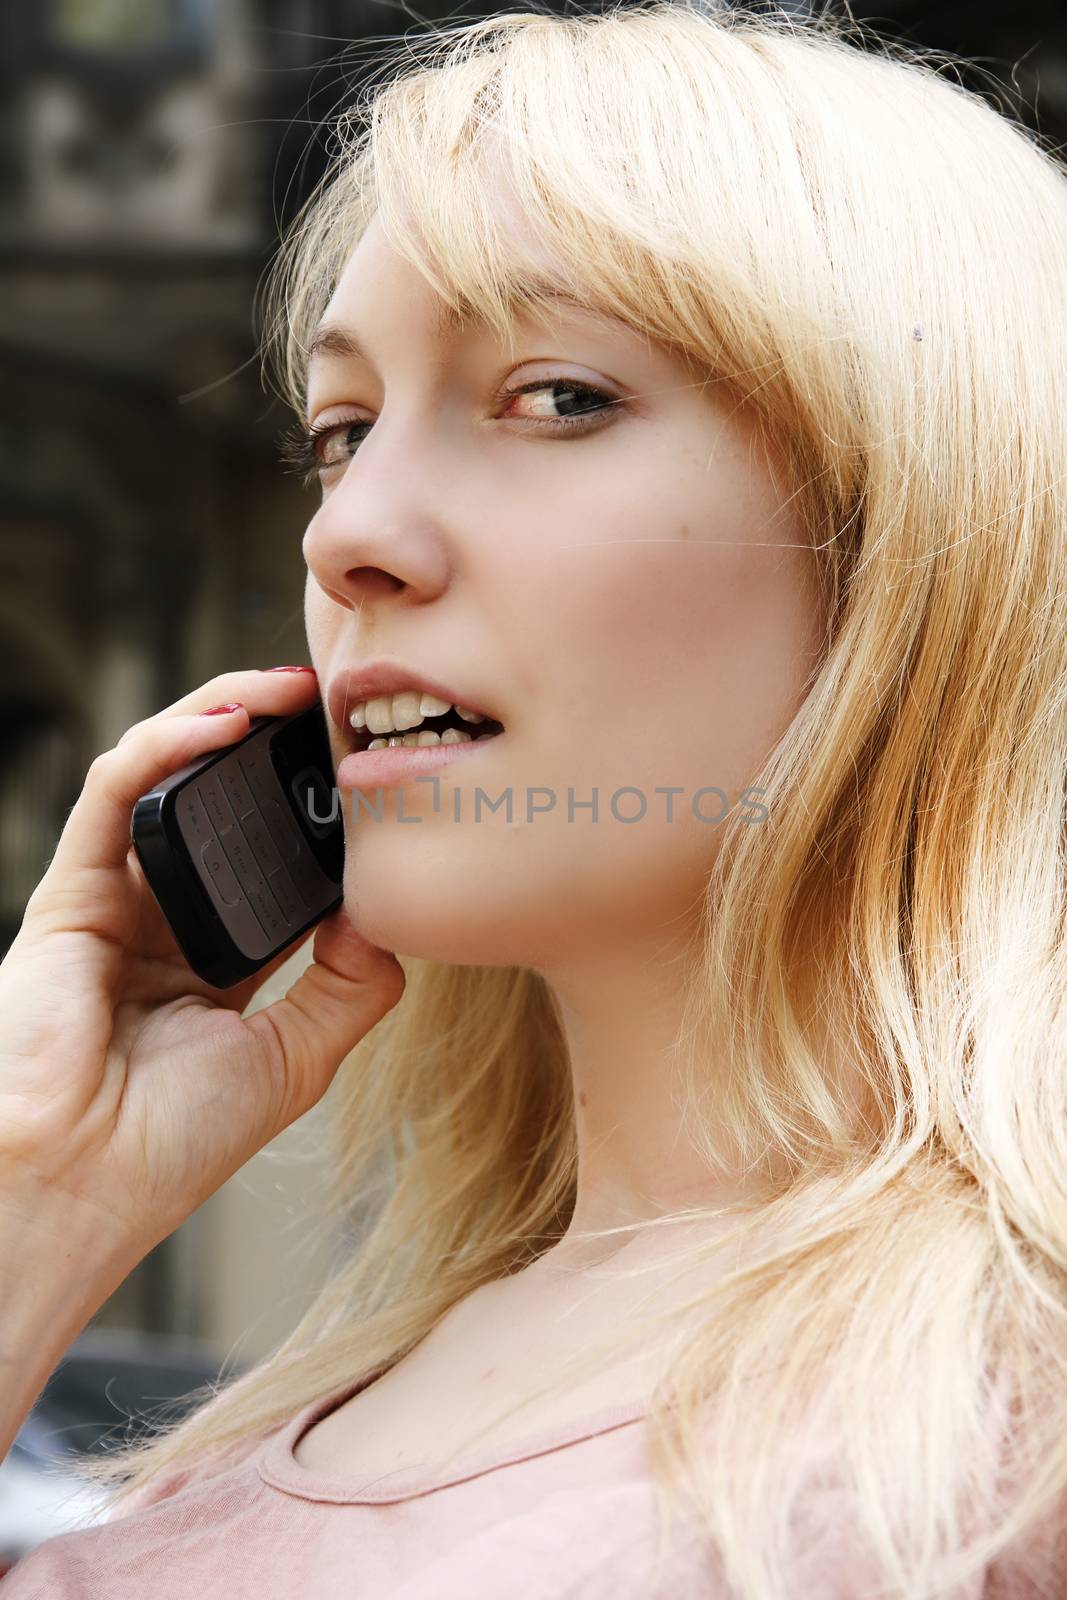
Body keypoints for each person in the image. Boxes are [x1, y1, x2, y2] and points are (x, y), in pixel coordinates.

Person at [0, 1, 1064, 1594]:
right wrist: (40, 1201)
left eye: (556, 397)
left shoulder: (1002, 1433)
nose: (348, 534)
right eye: (340, 431)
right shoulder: (250, 1443)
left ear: (922, 521)